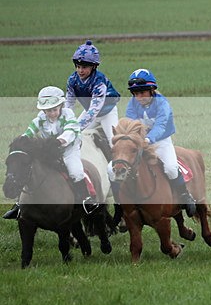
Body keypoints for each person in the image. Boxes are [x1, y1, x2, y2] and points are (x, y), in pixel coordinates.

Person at [3, 87, 98, 219]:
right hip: (48, 150)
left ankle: (86, 199)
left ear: (61, 106)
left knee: (75, 170)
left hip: (68, 149)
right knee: (30, 171)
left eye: (54, 109)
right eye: (48, 110)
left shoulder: (68, 114)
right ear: (43, 110)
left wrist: (59, 141)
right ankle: (19, 205)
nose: (52, 113)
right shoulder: (40, 118)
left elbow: (71, 131)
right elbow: (31, 130)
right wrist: (24, 138)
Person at [121, 69, 196, 216]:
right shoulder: (132, 104)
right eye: (135, 94)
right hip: (140, 141)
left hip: (161, 141)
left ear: (152, 89)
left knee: (170, 168)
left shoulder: (162, 103)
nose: (138, 97)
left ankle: (185, 195)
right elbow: (130, 123)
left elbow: (161, 126)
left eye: (142, 93)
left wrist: (148, 139)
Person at [66, 40, 121, 146]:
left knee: (115, 143)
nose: (80, 70)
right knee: (73, 135)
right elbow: (69, 103)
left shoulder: (99, 81)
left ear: (93, 67)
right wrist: (68, 123)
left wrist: (77, 127)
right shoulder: (72, 80)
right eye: (78, 67)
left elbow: (94, 110)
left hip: (107, 113)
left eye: (84, 67)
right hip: (89, 112)